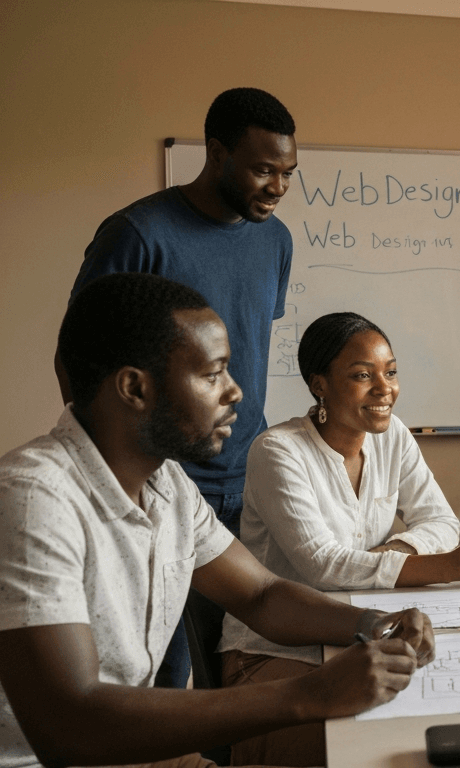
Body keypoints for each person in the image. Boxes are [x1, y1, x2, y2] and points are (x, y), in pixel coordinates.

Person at [0, 273, 433, 768]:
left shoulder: (169, 486)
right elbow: (70, 728)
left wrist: (372, 623)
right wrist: (309, 694)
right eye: (213, 375)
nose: (235, 393)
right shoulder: (34, 497)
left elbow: (261, 595)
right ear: (134, 388)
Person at [61, 87, 299, 688]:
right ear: (217, 153)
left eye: (289, 173)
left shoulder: (275, 240)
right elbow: (79, 354)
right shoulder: (139, 234)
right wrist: (119, 471)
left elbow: (241, 346)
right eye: (263, 169)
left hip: (246, 475)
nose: (278, 186)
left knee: (240, 653)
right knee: (160, 666)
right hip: (165, 477)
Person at [221, 312, 460, 764]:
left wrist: (395, 550)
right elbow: (322, 564)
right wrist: (452, 567)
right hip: (274, 653)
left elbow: (439, 519)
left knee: (453, 725)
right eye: (362, 375)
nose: (385, 389)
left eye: (391, 372)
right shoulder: (277, 451)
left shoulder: (392, 435)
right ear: (319, 384)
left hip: (360, 635)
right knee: (366, 751)